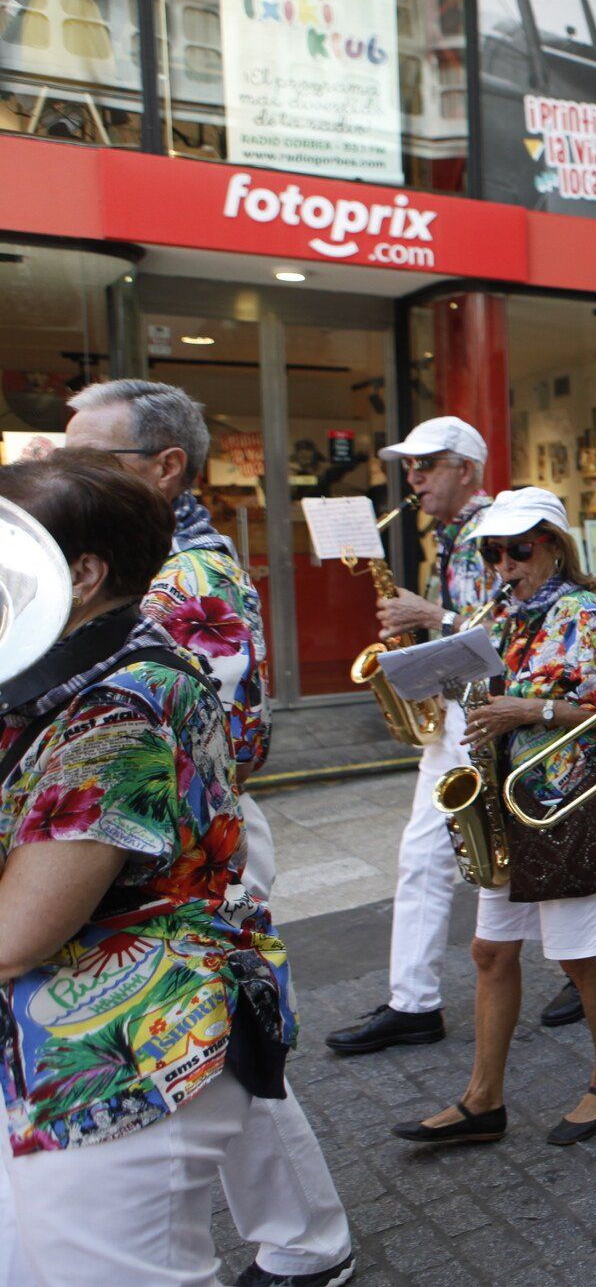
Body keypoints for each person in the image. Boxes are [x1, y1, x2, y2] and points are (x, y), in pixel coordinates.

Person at [63, 383, 354, 1285]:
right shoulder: (140, 559)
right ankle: (305, 1240)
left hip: (185, 849)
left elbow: (226, 742)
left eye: (89, 458)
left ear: (165, 467)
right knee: (219, 1053)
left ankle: (306, 1244)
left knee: (220, 1051)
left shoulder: (188, 575)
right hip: (157, 845)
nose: (65, 475)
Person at [0, 451, 298, 1281]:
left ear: (85, 573)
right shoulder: (80, 674)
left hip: (122, 1048)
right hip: (71, 1041)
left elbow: (15, 932)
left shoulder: (114, 710)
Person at [393, 488, 596, 1148]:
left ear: (554, 545)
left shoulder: (587, 612)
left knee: (582, 958)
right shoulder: (493, 611)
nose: (504, 562)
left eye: (519, 548)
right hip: (503, 801)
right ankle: (483, 1098)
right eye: (493, 550)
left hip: (566, 803)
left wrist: (530, 711)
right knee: (490, 952)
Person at [324, 418, 515, 1048]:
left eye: (426, 465)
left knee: (520, 854)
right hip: (456, 710)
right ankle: (414, 1002)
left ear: (465, 468)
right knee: (425, 857)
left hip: (498, 712)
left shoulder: (499, 532)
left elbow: (520, 628)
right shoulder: (452, 536)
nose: (414, 478)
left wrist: (432, 616)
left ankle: (590, 961)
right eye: (409, 467)